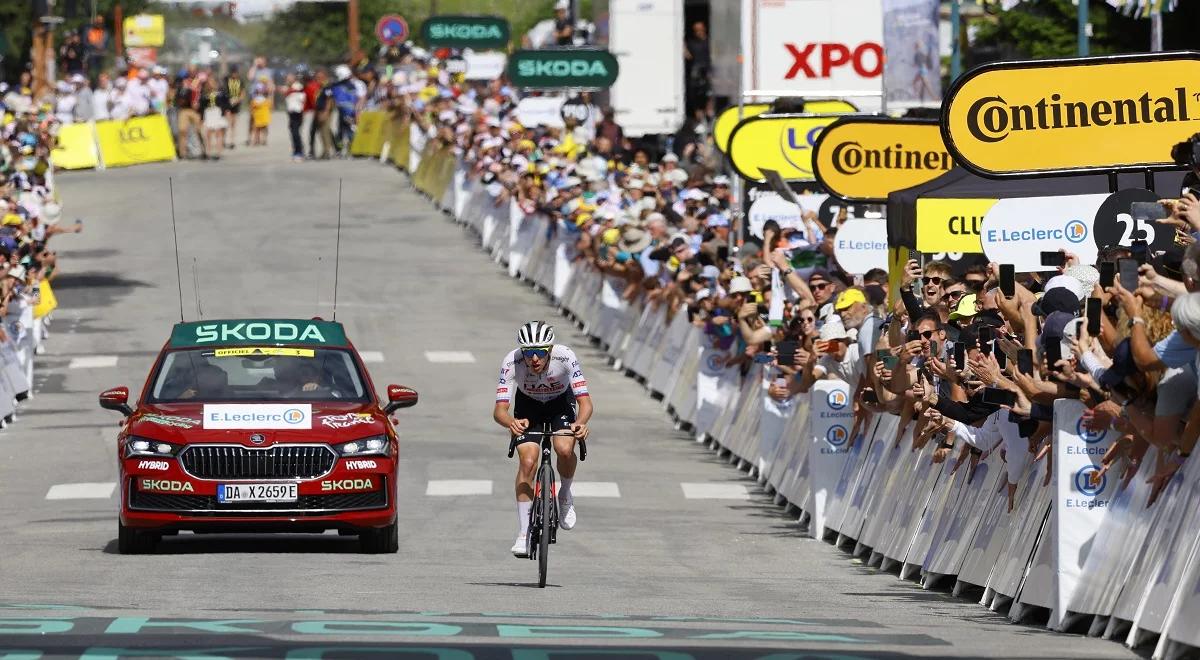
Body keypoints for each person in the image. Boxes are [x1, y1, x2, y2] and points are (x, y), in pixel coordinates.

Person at [492, 321, 592, 557]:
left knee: (564, 448)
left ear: (550, 350)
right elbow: (499, 411)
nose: (534, 359)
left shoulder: (565, 357)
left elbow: (585, 403)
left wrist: (581, 423)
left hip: (560, 404)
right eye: (529, 352)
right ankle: (524, 532)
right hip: (528, 407)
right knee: (528, 461)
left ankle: (565, 493)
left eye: (540, 352)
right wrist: (511, 423)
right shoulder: (511, 361)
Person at [284, 74, 306, 161]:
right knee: (293, 132)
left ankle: (299, 152)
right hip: (291, 113)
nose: (287, 80)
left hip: (297, 112)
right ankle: (296, 150)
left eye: (289, 78)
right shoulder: (289, 88)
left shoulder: (298, 87)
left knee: (295, 133)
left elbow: (303, 99)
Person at [223, 65, 245, 149]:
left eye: (235, 73)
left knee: (233, 123)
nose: (234, 75)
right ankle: (225, 140)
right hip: (227, 103)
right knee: (227, 122)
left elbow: (242, 93)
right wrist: (228, 100)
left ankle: (232, 141)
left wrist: (238, 99)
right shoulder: (226, 79)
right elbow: (223, 90)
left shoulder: (240, 80)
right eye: (233, 73)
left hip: (236, 104)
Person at [250, 82, 271, 146]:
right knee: (257, 128)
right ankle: (256, 140)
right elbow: (252, 107)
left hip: (264, 114)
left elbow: (270, 105)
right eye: (259, 89)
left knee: (264, 128)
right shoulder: (254, 98)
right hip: (257, 115)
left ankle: (264, 140)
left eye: (261, 89)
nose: (260, 90)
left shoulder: (266, 98)